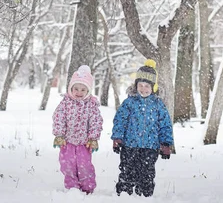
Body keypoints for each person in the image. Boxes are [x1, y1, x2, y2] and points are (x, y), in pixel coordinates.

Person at [111, 59, 173, 197]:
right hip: (129, 145)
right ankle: (123, 195)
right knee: (127, 171)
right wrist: (117, 138)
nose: (143, 89)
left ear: (153, 88)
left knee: (147, 173)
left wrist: (166, 144)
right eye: (141, 85)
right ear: (136, 85)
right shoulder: (129, 102)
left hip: (150, 147)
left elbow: (165, 125)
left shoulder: (158, 105)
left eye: (147, 86)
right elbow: (120, 120)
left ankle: (144, 196)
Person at [52, 65, 103, 194]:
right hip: (67, 142)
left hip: (84, 143)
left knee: (84, 166)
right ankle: (72, 187)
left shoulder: (91, 105)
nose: (79, 92)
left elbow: (96, 121)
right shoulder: (65, 102)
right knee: (67, 165)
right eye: (76, 89)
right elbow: (58, 118)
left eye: (82, 89)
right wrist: (59, 134)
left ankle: (87, 187)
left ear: (88, 91)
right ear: (71, 89)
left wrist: (93, 138)